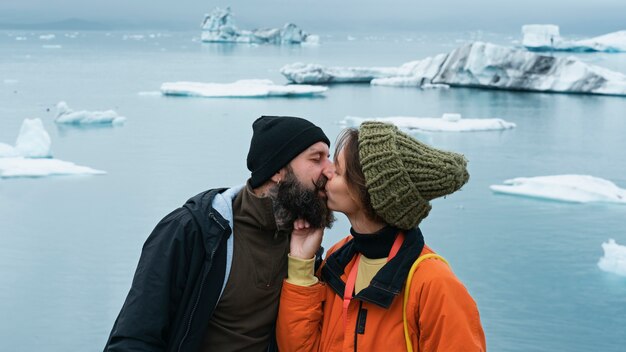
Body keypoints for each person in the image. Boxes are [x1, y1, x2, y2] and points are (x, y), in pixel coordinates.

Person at [105, 115, 335, 352]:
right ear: (278, 170)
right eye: (317, 159)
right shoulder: (193, 231)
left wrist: (303, 264)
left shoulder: (301, 242)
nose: (330, 170)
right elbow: (135, 338)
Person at [277, 121, 486, 351]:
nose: (326, 173)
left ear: (365, 191)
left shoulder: (435, 286)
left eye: (338, 171)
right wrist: (301, 267)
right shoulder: (339, 259)